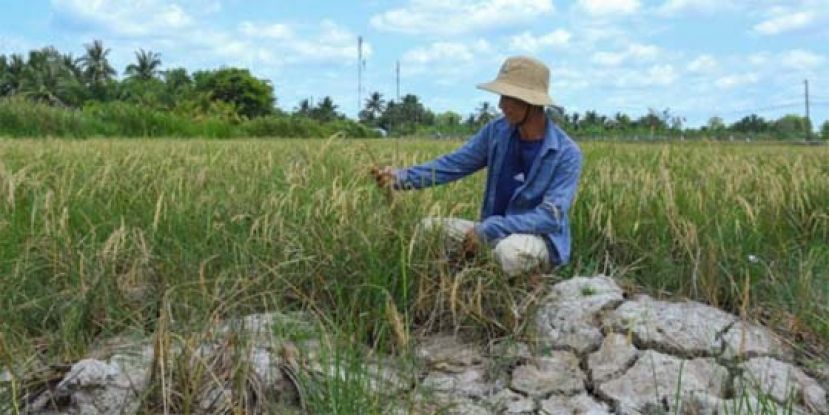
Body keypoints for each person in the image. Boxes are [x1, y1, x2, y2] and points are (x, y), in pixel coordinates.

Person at [371, 56, 582, 277]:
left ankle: (522, 282)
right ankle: (460, 278)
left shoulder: (566, 154)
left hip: (535, 239)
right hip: (491, 232)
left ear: (530, 103)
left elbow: (549, 217)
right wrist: (402, 177)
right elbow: (453, 164)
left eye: (508, 98)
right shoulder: (496, 132)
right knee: (428, 230)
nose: (501, 105)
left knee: (508, 253)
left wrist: (489, 229)